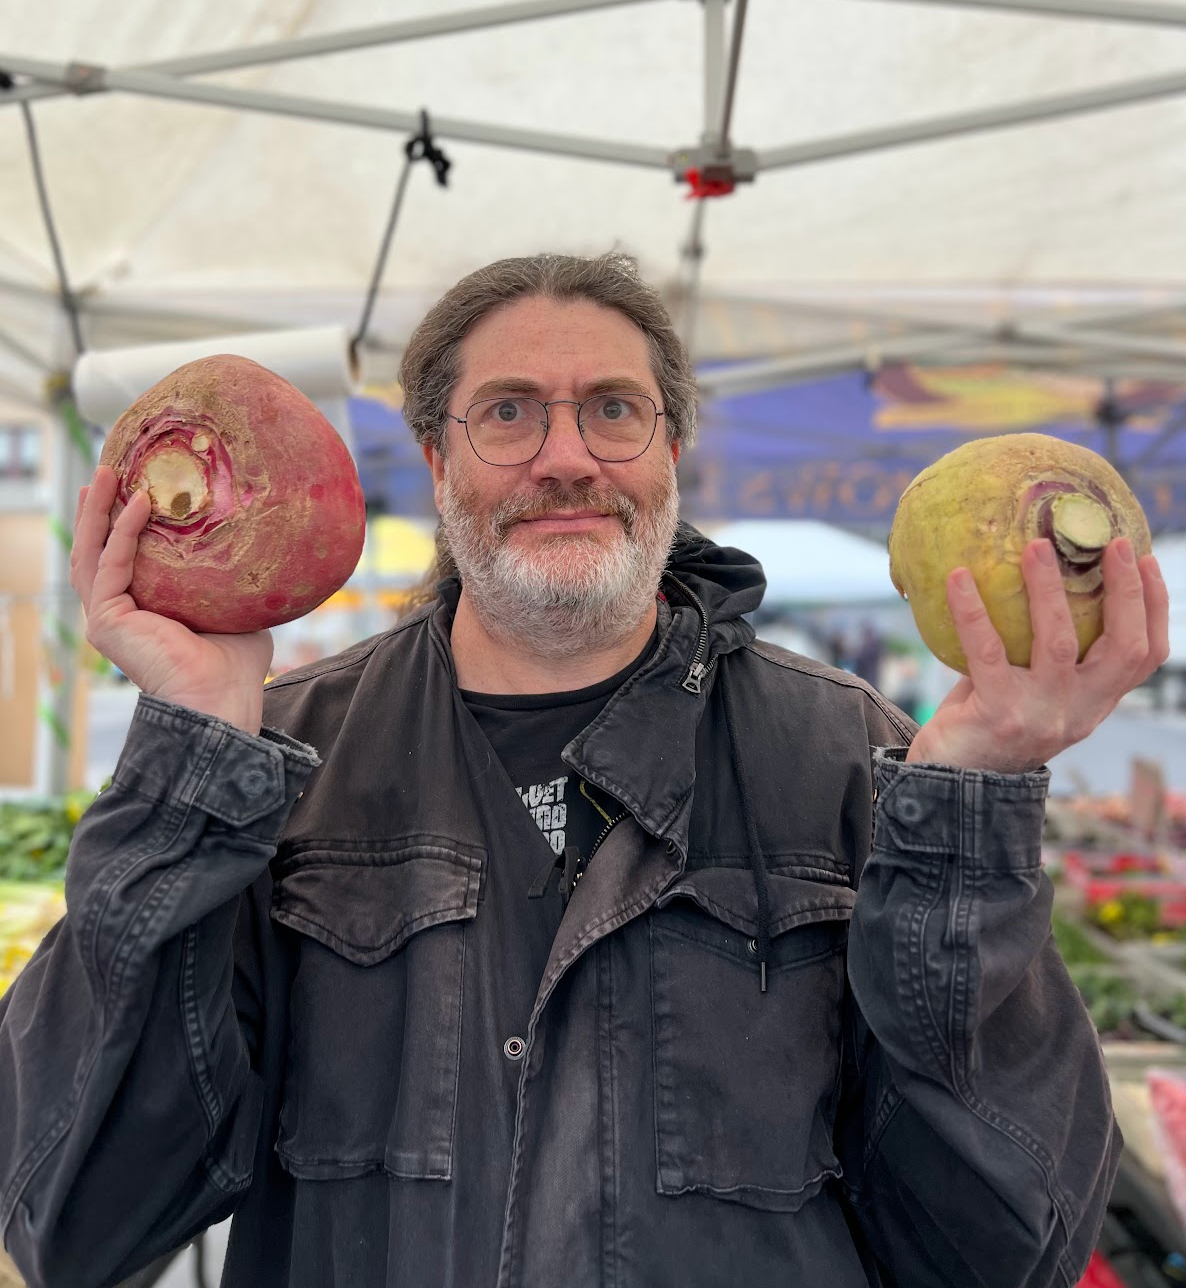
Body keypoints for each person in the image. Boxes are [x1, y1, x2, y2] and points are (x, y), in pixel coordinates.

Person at [0, 252, 1170, 1288]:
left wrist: (969, 812)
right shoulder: (276, 759)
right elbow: (74, 1214)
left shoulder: (856, 758)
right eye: (507, 413)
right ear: (435, 458)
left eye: (613, 410)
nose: (566, 459)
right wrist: (191, 757)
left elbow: (1000, 1243)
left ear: (670, 451)